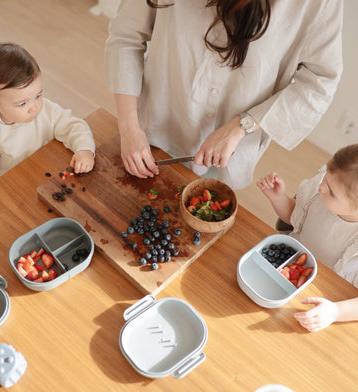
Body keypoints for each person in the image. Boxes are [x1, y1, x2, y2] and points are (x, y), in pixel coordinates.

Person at [105, 0, 343, 189]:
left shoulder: (318, 4)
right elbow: (126, 37)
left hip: (228, 153)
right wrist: (128, 127)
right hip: (153, 128)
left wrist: (244, 124)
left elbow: (319, 82)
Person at [0, 43, 95, 204]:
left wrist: (84, 149)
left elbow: (74, 126)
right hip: (13, 187)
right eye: (22, 104)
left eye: (38, 95)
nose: (34, 108)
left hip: (49, 174)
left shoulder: (46, 111)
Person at [256, 144, 358, 332]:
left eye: (332, 192)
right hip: (287, 275)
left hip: (322, 305)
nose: (321, 187)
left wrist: (335, 312)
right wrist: (279, 198)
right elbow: (295, 218)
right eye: (326, 177)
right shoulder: (319, 192)